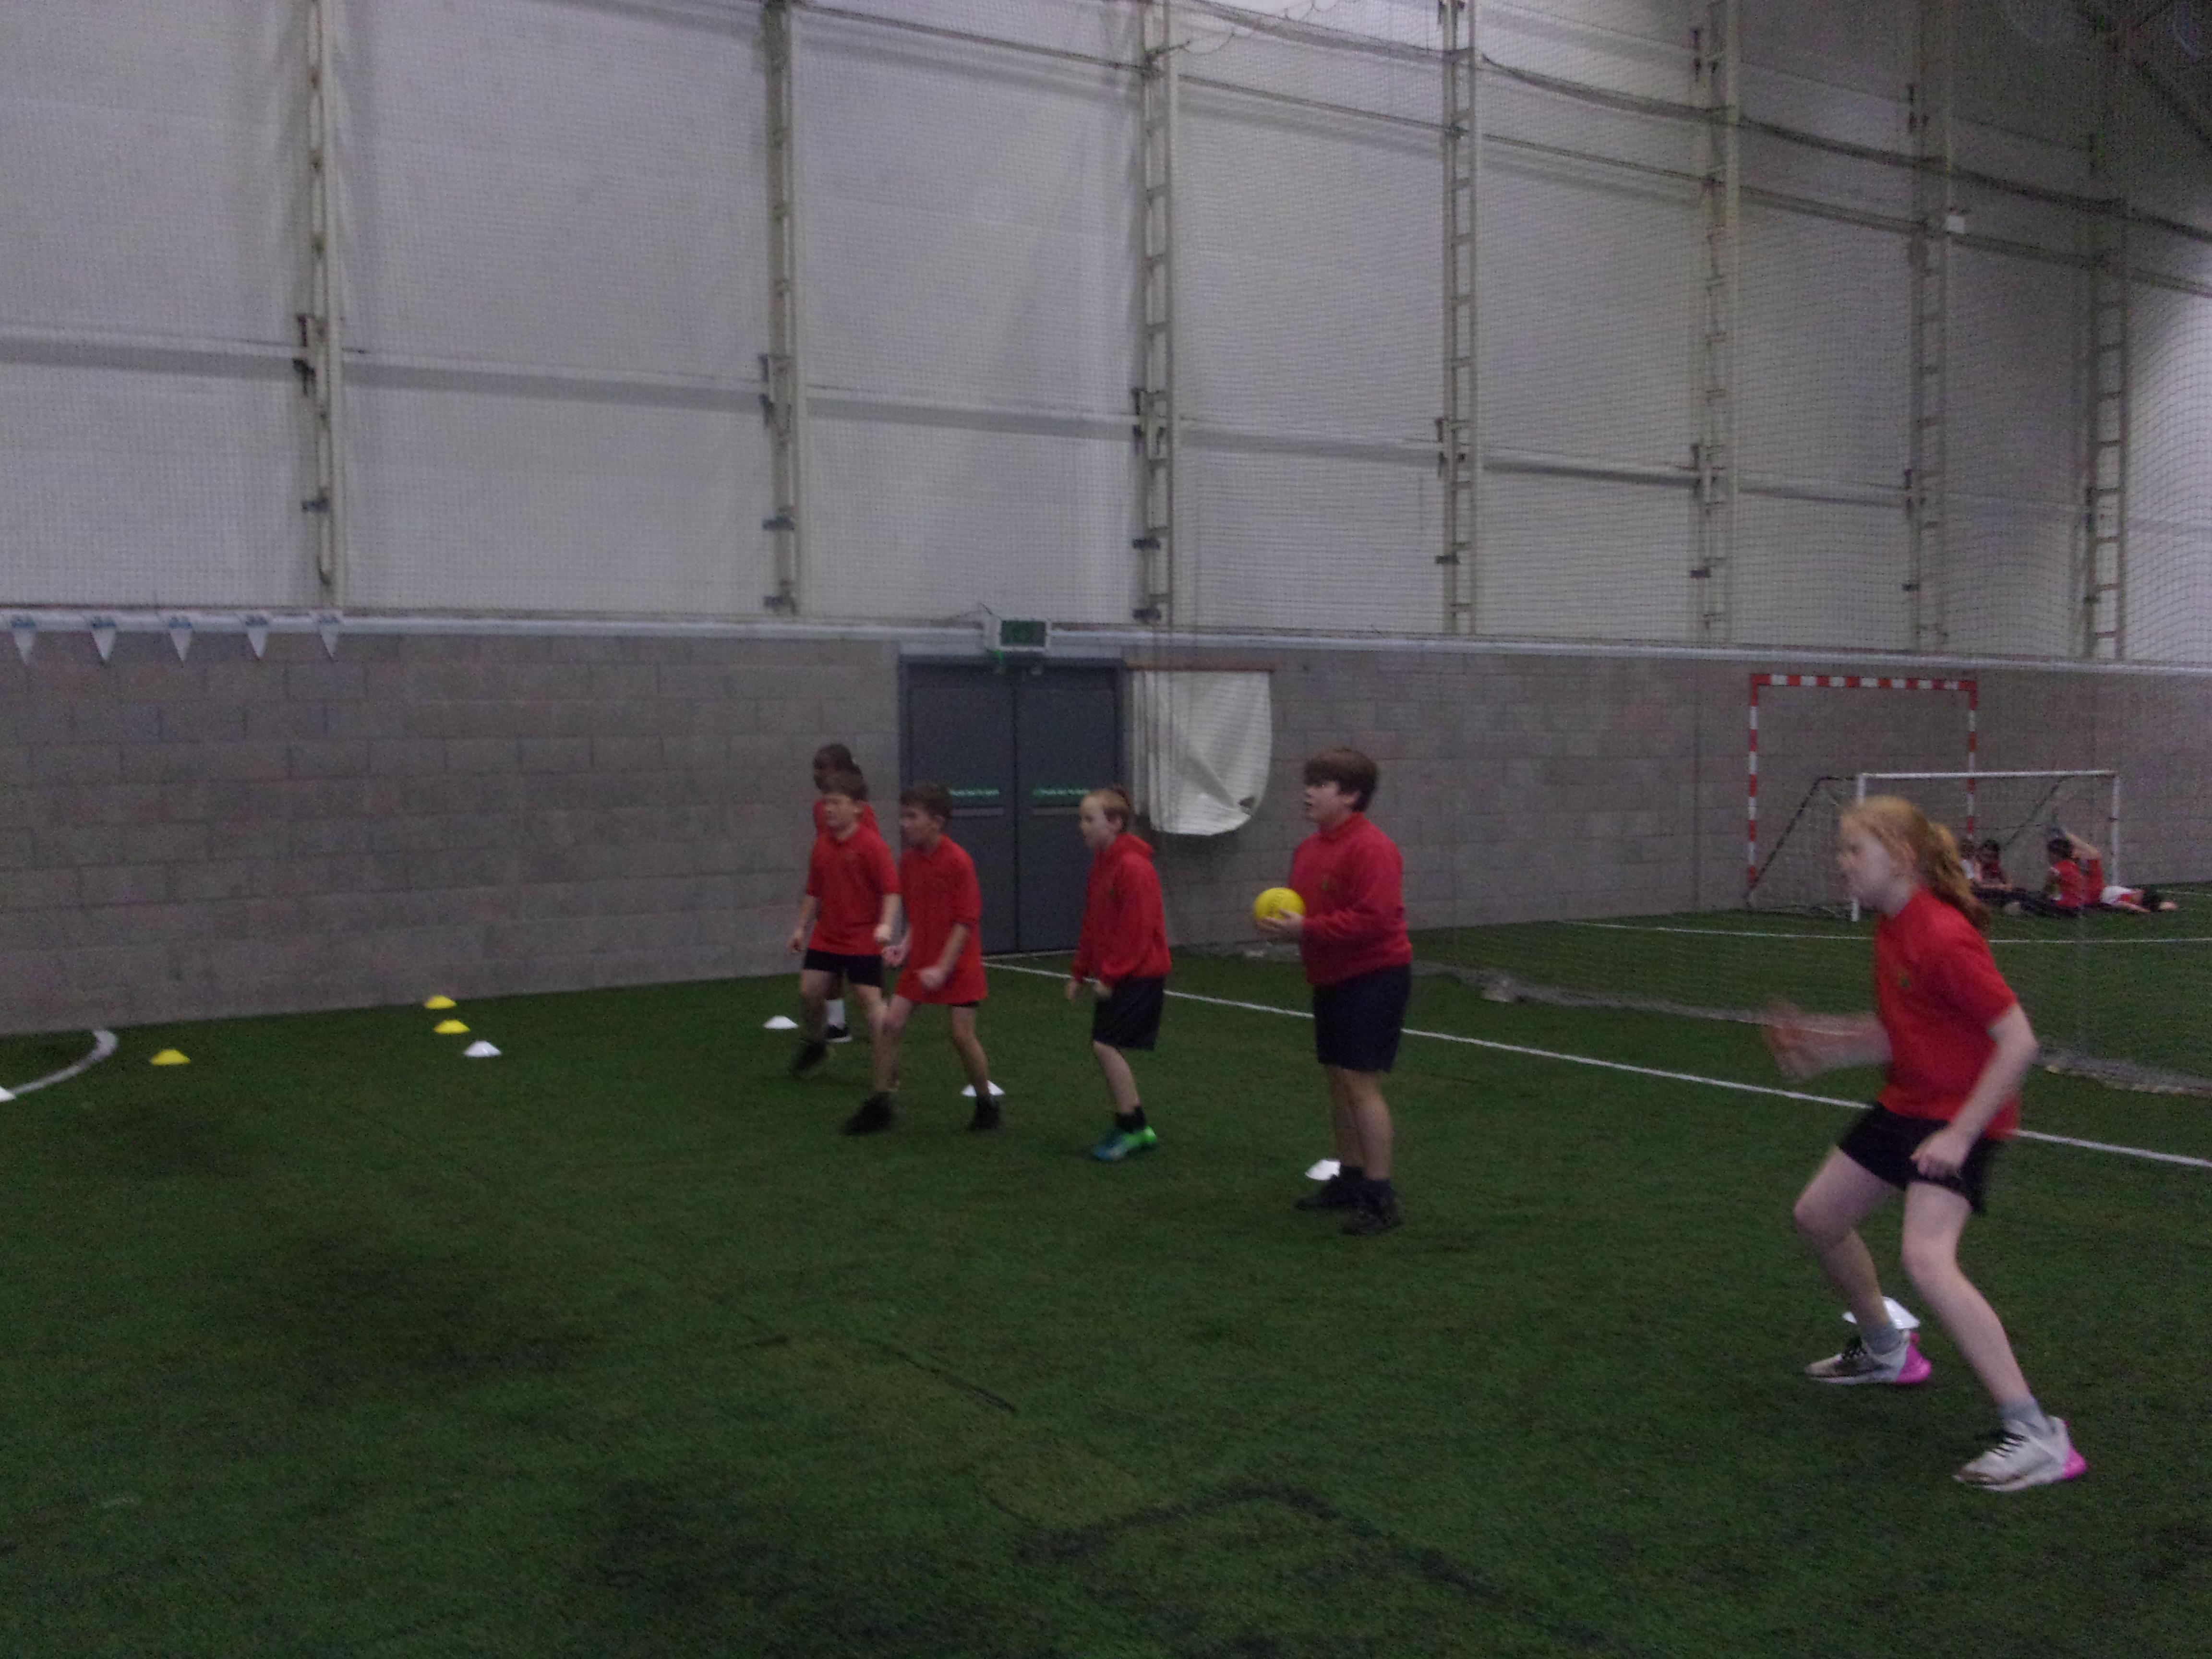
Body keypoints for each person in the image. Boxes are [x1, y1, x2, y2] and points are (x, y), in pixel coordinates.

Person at [1766, 795, 2086, 1492]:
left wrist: (1961, 1134)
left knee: (1927, 1259)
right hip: (1908, 1103)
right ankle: (1889, 1351)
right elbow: (1904, 1030)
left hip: (1962, 1115)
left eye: (1855, 849)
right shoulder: (1891, 926)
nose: (1842, 862)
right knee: (1817, 1217)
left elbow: (2019, 1041)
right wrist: (1825, 1045)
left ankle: (2038, 1434)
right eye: (1842, 849)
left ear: (1902, 858)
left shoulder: (1943, 934)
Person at [1254, 747, 1414, 1237]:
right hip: (1331, 977)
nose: (1308, 792)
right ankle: (1350, 1178)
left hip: (1374, 976)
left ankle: (1380, 1196)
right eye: (1310, 782)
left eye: (1320, 784)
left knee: (1361, 1084)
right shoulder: (1309, 849)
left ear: (1350, 796)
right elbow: (1309, 913)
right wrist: (1285, 925)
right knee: (1338, 1080)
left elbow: (1375, 920)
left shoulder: (1373, 849)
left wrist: (1306, 929)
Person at [845, 783, 997, 1135]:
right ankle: (880, 1104)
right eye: (904, 816)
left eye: (913, 817)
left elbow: (964, 922)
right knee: (891, 1024)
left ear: (937, 822)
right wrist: (905, 946)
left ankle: (987, 1104)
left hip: (959, 965)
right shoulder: (910, 861)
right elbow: (919, 913)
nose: (905, 824)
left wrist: (943, 967)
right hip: (922, 963)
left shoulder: (958, 862)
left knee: (961, 1036)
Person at [1065, 786, 1171, 1162]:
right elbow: (1093, 923)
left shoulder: (1133, 867)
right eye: (1082, 819)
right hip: (1121, 973)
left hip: (1140, 975)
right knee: (1105, 1045)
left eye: (1089, 819)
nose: (1082, 826)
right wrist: (1079, 972)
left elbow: (1136, 931)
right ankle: (1136, 1125)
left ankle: (1130, 1128)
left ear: (1115, 822)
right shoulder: (1102, 863)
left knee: (1106, 1046)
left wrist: (1109, 976)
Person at [785, 770, 900, 1078]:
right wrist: (800, 928)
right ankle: (816, 1044)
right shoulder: (821, 845)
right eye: (826, 803)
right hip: (827, 936)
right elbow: (813, 892)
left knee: (870, 1002)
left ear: (858, 808)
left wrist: (886, 925)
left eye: (836, 803)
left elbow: (891, 890)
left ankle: (888, 1068)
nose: (828, 809)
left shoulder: (873, 846)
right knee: (809, 993)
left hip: (862, 938)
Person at [809, 745, 880, 1041]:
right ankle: (837, 1025)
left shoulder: (863, 813)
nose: (816, 774)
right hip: (833, 898)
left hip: (860, 902)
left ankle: (881, 1022)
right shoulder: (819, 809)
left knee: (863, 976)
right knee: (828, 965)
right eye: (815, 767)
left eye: (822, 767)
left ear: (839, 771)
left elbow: (873, 858)